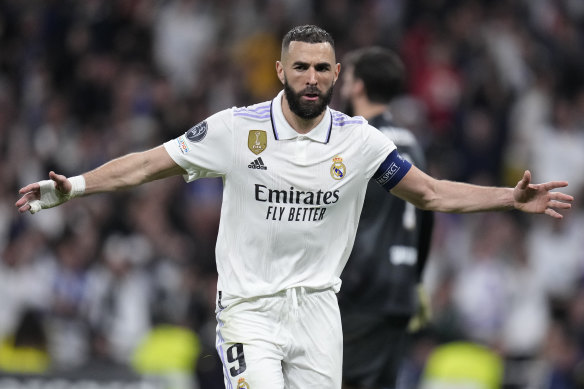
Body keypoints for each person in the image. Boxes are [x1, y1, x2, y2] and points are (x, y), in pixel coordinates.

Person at [15, 25, 573, 389]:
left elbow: (428, 192)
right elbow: (147, 163)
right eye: (300, 67)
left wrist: (509, 197)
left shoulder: (360, 141)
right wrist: (78, 186)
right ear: (281, 71)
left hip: (318, 313)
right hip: (249, 310)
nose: (311, 77)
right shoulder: (238, 128)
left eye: (322, 68)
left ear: (337, 75)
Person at [337, 47, 434, 389]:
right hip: (400, 292)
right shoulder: (412, 143)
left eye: (346, 78)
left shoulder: (358, 142)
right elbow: (428, 212)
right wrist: (417, 279)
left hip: (362, 291)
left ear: (358, 86)